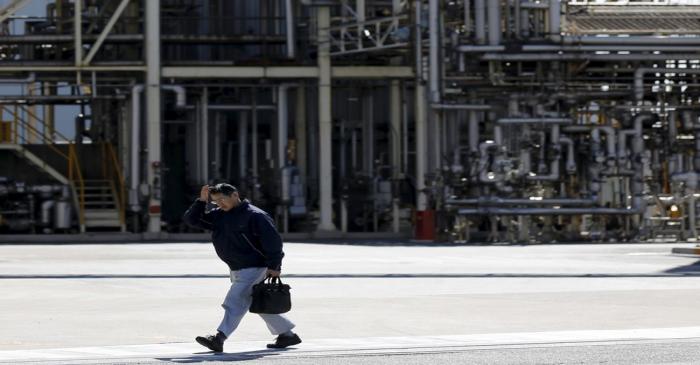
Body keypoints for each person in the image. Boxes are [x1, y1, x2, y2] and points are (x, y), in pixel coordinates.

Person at [183, 183, 301, 352]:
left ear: (235, 195)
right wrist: (201, 201)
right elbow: (192, 220)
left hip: (254, 267)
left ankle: (219, 338)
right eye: (216, 201)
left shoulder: (255, 216)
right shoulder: (219, 215)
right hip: (237, 268)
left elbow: (273, 242)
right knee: (257, 302)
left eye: (223, 199)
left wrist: (275, 265)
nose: (220, 204)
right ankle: (287, 335)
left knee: (235, 302)